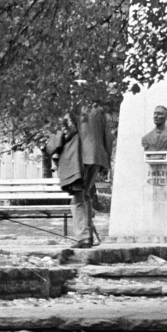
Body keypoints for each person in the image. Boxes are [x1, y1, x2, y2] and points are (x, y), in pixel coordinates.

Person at [48, 103, 112, 247]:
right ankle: (90, 236)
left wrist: (52, 148)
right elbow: (108, 136)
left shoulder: (71, 108)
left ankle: (84, 238)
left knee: (77, 199)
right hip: (97, 156)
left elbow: (66, 131)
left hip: (79, 156)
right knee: (86, 195)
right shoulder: (99, 110)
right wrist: (105, 161)